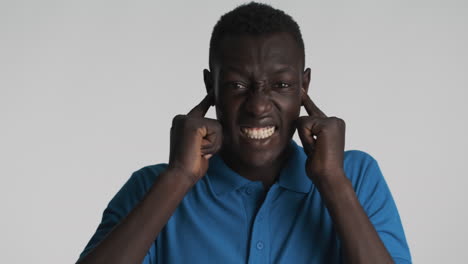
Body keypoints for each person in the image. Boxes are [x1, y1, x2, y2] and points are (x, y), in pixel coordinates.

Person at [77, 2, 411, 263]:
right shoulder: (152, 188)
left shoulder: (355, 176)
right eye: (237, 85)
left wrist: (333, 182)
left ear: (304, 87)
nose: (258, 106)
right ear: (211, 87)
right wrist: (178, 177)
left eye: (280, 85)